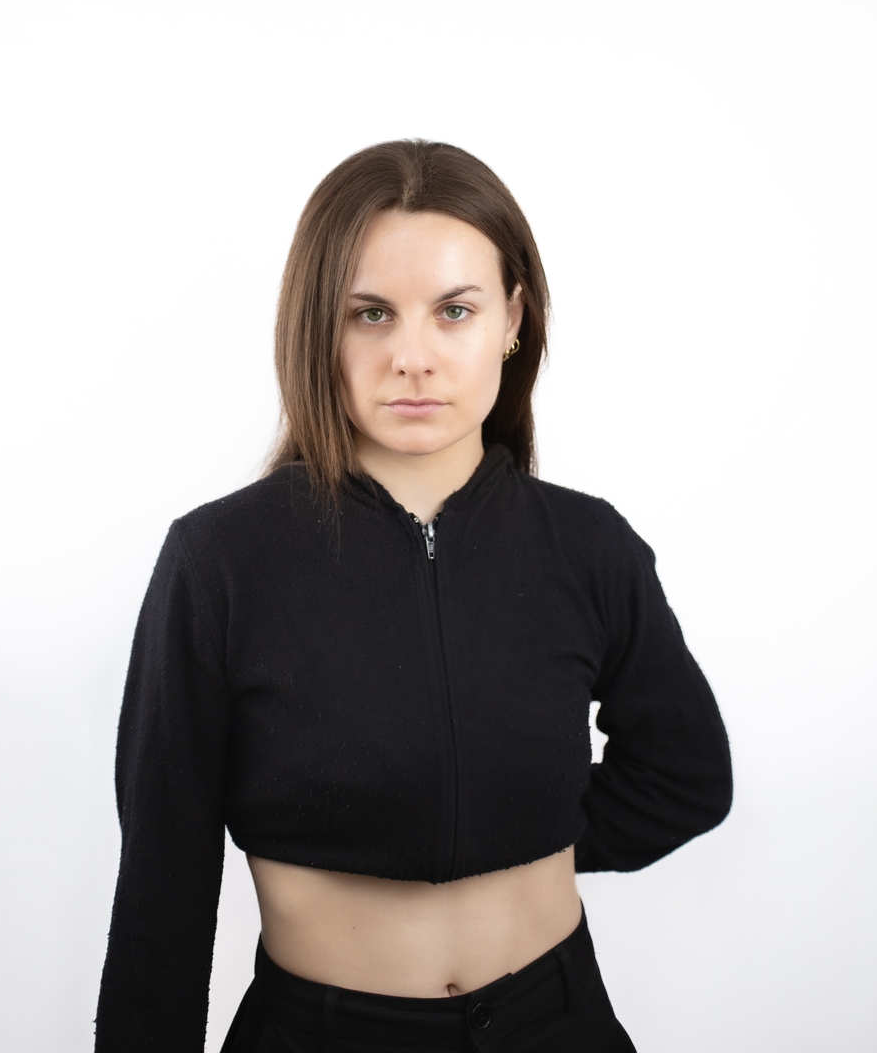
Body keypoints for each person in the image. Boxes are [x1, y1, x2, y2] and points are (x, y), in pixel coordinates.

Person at [94, 139, 732, 1053]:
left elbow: (687, 777)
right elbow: (165, 876)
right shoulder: (220, 561)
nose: (413, 358)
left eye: (455, 311)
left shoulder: (589, 546)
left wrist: (511, 824)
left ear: (513, 319)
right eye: (370, 314)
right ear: (318, 327)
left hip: (559, 1023)